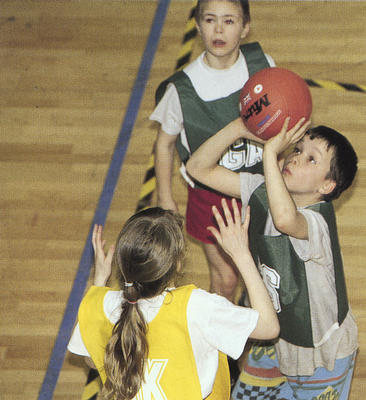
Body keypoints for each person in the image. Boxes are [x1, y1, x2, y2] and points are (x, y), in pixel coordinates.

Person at [186, 117, 359, 399]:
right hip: (276, 337)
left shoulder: (318, 224)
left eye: (312, 159)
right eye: (298, 149)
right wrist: (239, 128)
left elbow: (284, 219)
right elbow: (197, 168)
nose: (297, 158)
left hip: (322, 356)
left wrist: (268, 154)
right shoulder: (260, 189)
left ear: (327, 186)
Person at [68, 205, 279, 400]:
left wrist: (98, 285)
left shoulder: (100, 305)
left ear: (123, 265)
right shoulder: (196, 307)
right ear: (177, 264)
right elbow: (269, 327)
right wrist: (242, 255)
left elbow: (92, 358)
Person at [150, 0, 275, 301]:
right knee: (227, 279)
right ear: (197, 25)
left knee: (264, 269)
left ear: (245, 27)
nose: (219, 29)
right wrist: (166, 198)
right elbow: (165, 144)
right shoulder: (181, 89)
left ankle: (254, 326)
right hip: (213, 199)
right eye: (210, 20)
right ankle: (219, 345)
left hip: (261, 188)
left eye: (229, 21)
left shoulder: (262, 64)